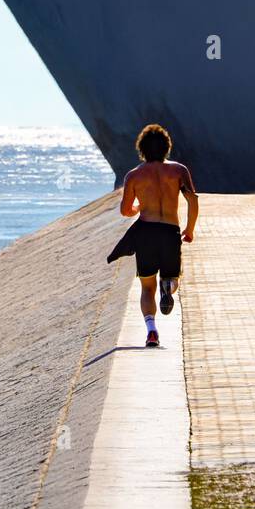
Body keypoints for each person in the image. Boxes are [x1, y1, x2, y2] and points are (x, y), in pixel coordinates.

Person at [107, 123, 199, 348]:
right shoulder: (179, 171)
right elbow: (192, 199)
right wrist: (189, 229)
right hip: (170, 231)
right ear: (167, 147)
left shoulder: (134, 176)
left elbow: (125, 210)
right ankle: (168, 287)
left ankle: (151, 330)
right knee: (172, 277)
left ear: (142, 149)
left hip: (146, 233)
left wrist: (138, 208)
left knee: (147, 287)